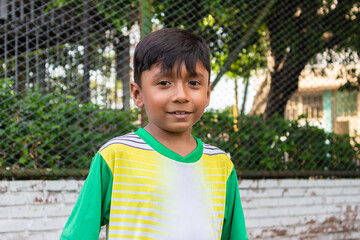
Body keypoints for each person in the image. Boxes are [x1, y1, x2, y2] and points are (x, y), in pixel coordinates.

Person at [60, 28, 248, 240]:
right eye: (164, 83)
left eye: (193, 83)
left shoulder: (222, 165)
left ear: (207, 94)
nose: (181, 96)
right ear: (138, 94)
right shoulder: (115, 157)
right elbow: (79, 234)